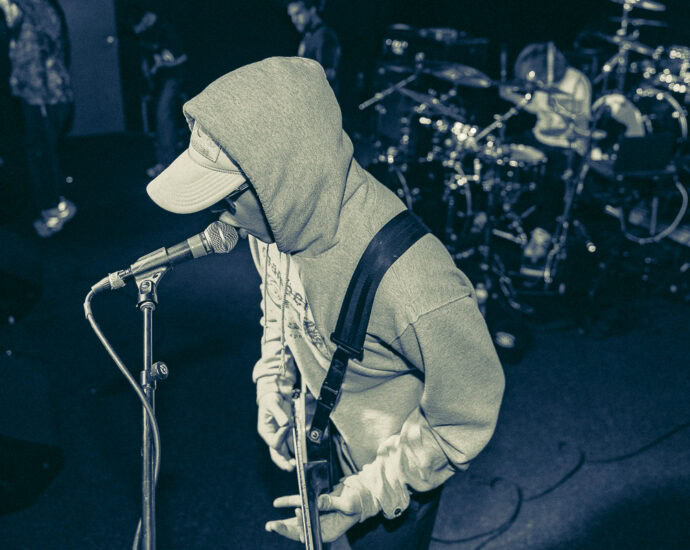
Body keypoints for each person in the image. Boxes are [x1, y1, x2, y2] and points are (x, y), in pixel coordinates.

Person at [146, 57, 504, 548]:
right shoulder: (275, 222)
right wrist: (273, 384)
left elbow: (464, 417)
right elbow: (278, 302)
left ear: (283, 182)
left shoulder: (415, 284)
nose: (217, 218)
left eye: (226, 199)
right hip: (322, 428)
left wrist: (373, 489)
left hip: (394, 465)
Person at [500, 42, 592, 262]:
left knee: (552, 180)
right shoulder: (543, 81)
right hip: (539, 136)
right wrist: (512, 96)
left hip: (564, 144)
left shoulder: (577, 81)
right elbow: (536, 107)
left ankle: (542, 233)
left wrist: (565, 119)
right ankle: (493, 210)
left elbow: (582, 123)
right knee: (498, 150)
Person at [0, 0, 76, 237]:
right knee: (37, 151)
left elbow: (45, 48)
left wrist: (42, 95)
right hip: (32, 93)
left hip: (44, 94)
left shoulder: (36, 7)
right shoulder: (26, 11)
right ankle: (50, 206)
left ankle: (53, 210)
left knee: (41, 152)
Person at [130, 9, 187, 179]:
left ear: (147, 17)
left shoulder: (166, 29)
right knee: (162, 120)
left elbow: (182, 57)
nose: (139, 30)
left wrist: (159, 65)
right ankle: (165, 161)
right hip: (162, 81)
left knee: (163, 118)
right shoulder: (150, 33)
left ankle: (167, 163)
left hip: (173, 79)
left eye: (140, 25)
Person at [286, 0, 340, 96]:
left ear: (312, 9)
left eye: (298, 13)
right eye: (291, 16)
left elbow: (329, 74)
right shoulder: (308, 36)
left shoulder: (324, 35)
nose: (294, 20)